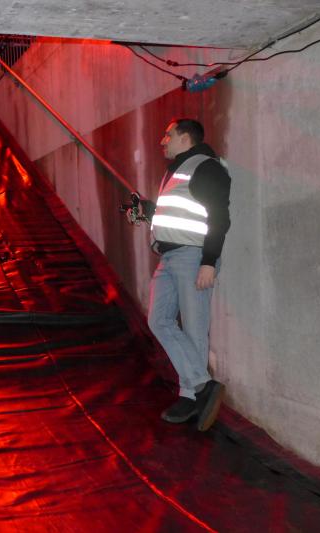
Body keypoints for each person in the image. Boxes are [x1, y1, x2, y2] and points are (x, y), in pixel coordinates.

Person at [128, 118, 231, 432]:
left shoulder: (207, 166)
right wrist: (149, 211)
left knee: (195, 329)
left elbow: (219, 217)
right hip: (169, 257)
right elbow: (180, 214)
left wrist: (208, 262)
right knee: (158, 320)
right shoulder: (175, 171)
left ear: (186, 137)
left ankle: (190, 398)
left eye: (168, 134)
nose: (163, 140)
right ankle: (202, 385)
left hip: (193, 257)